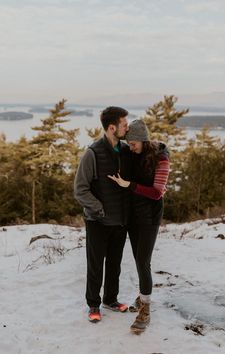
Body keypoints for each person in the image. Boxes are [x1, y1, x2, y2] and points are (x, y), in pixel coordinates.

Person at [108, 119, 170, 333]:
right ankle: (144, 293)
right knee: (140, 259)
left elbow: (157, 192)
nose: (130, 147)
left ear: (143, 140)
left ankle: (145, 308)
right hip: (133, 216)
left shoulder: (161, 159)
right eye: (128, 143)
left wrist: (129, 185)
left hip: (150, 217)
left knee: (143, 261)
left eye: (133, 143)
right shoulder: (133, 154)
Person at [74, 106, 131, 323]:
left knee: (115, 264)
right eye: (124, 125)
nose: (127, 128)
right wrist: (98, 209)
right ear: (111, 127)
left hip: (120, 220)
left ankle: (110, 299)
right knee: (96, 265)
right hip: (97, 220)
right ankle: (93, 305)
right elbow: (80, 189)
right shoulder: (92, 153)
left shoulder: (125, 151)